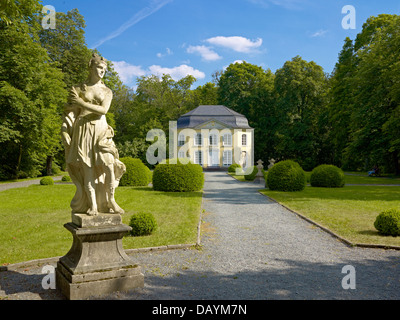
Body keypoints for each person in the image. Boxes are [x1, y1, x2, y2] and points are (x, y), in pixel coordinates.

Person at [62, 53, 125, 216]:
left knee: (109, 165)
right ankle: (93, 205)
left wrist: (82, 103)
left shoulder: (107, 91)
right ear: (91, 67)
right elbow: (69, 113)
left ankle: (111, 200)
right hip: (83, 130)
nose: (102, 71)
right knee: (87, 169)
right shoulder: (77, 89)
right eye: (99, 67)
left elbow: (103, 110)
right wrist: (64, 131)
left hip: (101, 130)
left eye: (104, 69)